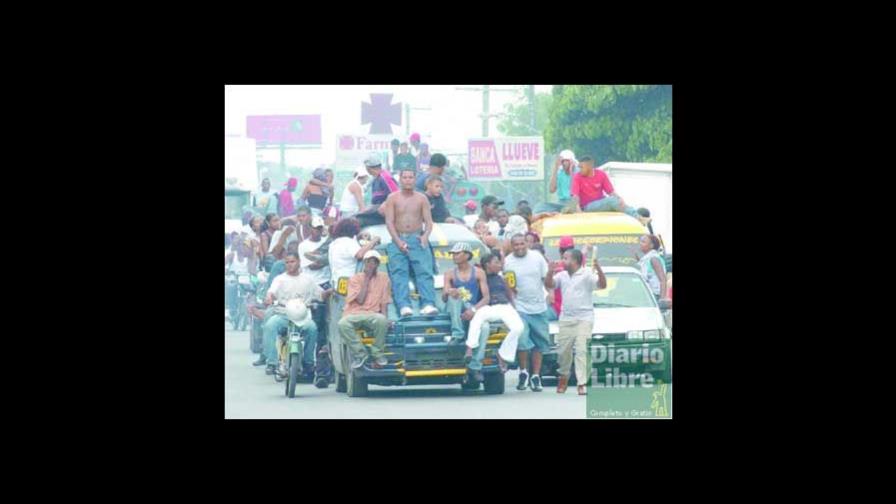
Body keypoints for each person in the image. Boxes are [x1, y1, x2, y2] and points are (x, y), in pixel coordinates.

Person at [544, 248, 607, 395]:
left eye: (566, 258)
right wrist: (549, 272)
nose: (562, 260)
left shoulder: (586, 274)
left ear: (576, 261)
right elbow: (550, 285)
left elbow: (602, 285)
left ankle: (582, 382)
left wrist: (599, 270)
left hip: (584, 318)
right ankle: (564, 375)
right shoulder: (562, 275)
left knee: (582, 350)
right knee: (563, 352)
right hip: (566, 318)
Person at [256, 252, 329, 375]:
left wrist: (330, 292)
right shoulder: (280, 279)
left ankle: (308, 362)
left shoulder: (308, 279)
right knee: (269, 326)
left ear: (299, 262)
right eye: (287, 262)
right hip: (283, 315)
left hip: (303, 317)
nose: (289, 265)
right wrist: (269, 297)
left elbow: (320, 294)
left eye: (292, 261)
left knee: (312, 329)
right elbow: (271, 292)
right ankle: (272, 362)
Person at [382, 168, 437, 317]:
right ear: (400, 179)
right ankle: (404, 306)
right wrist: (398, 241)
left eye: (410, 177)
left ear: (415, 179)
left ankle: (428, 304)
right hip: (397, 238)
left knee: (424, 273)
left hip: (417, 239)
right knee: (399, 274)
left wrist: (425, 236)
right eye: (405, 177)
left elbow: (429, 222)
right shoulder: (392, 198)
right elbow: (389, 222)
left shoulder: (421, 198)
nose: (408, 180)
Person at [464, 252, 524, 379]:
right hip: (489, 307)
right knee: (478, 317)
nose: (500, 265)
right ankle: (470, 347)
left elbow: (509, 294)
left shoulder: (501, 277)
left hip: (505, 306)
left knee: (518, 328)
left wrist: (514, 307)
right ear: (487, 265)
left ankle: (503, 355)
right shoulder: (480, 276)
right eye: (496, 262)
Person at [503, 234, 551, 392]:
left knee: (540, 342)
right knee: (523, 341)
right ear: (512, 246)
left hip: (539, 306)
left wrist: (550, 293)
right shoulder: (508, 261)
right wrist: (512, 303)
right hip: (520, 307)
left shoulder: (537, 258)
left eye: (522, 244)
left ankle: (535, 376)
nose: (519, 247)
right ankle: (523, 372)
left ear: (527, 244)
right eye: (515, 245)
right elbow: (508, 284)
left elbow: (546, 279)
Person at [442, 243, 491, 381]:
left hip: (472, 309)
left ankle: (475, 366)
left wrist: (474, 310)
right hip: (455, 310)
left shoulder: (479, 273)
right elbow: (444, 297)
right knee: (454, 297)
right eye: (453, 254)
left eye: (457, 253)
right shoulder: (450, 273)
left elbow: (486, 297)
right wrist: (449, 291)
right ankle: (457, 333)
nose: (454, 256)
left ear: (467, 255)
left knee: (485, 327)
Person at [338, 250, 392, 369]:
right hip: (354, 313)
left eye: (374, 262)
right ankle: (360, 353)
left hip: (372, 313)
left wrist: (386, 318)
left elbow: (384, 302)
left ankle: (377, 353)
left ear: (378, 264)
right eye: (368, 262)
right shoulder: (355, 279)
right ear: (364, 263)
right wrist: (366, 278)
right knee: (343, 324)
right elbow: (360, 300)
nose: (371, 265)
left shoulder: (384, 278)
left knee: (382, 320)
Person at [570, 156, 640, 218]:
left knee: (616, 201)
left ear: (589, 167)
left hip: (601, 204)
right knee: (611, 200)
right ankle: (637, 217)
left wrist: (619, 198)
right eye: (579, 167)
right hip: (587, 207)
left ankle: (636, 216)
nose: (579, 169)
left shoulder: (601, 174)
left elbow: (611, 192)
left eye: (581, 167)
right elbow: (575, 197)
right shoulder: (577, 177)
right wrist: (580, 215)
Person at [225, 236, 258, 328]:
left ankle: (251, 310)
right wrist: (227, 270)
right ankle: (232, 308)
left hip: (246, 279)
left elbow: (253, 271)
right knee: (231, 286)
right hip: (233, 277)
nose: (243, 248)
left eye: (246, 246)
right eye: (241, 246)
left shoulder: (250, 258)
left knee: (254, 287)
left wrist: (253, 255)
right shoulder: (232, 255)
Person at [547, 236, 576, 320]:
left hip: (573, 314)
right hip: (555, 311)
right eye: (564, 250)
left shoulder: (581, 268)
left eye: (570, 250)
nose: (566, 253)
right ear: (560, 251)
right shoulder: (553, 267)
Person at [636, 234, 669, 303]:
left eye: (643, 242)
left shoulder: (654, 259)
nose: (640, 243)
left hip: (655, 296)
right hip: (648, 295)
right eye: (640, 241)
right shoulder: (647, 258)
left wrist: (662, 299)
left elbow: (663, 279)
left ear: (651, 246)